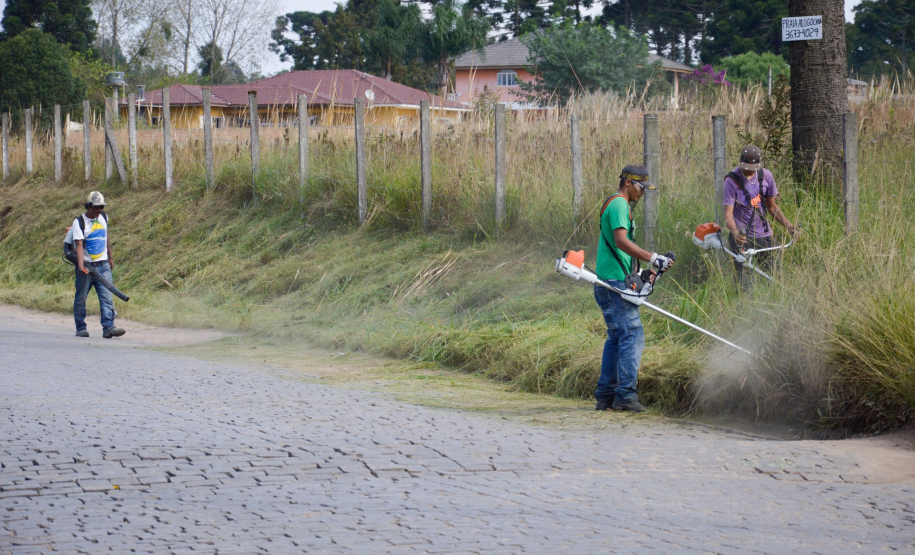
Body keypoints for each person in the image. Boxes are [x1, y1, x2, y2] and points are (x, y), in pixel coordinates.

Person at [593, 165, 675, 413]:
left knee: (617, 338)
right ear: (628, 182)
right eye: (641, 187)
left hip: (613, 280)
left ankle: (606, 397)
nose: (643, 193)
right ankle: (625, 397)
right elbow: (621, 241)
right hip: (613, 283)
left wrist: (641, 274)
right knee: (632, 334)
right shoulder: (619, 204)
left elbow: (621, 250)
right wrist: (653, 258)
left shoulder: (619, 205)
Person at [722, 145, 798, 291]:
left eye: (753, 168)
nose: (749, 171)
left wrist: (789, 227)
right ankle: (745, 308)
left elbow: (772, 207)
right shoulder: (732, 181)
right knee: (745, 285)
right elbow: (728, 215)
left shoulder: (766, 176)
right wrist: (735, 233)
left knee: (775, 278)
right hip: (743, 239)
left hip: (765, 235)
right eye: (746, 167)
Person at [69, 191, 125, 339]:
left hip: (103, 265)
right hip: (87, 267)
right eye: (96, 207)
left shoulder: (104, 218)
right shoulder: (79, 222)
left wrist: (110, 257)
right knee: (81, 298)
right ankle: (81, 327)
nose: (99, 210)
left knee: (107, 297)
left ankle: (109, 327)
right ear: (89, 206)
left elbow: (106, 238)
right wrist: (81, 266)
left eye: (101, 207)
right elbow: (79, 246)